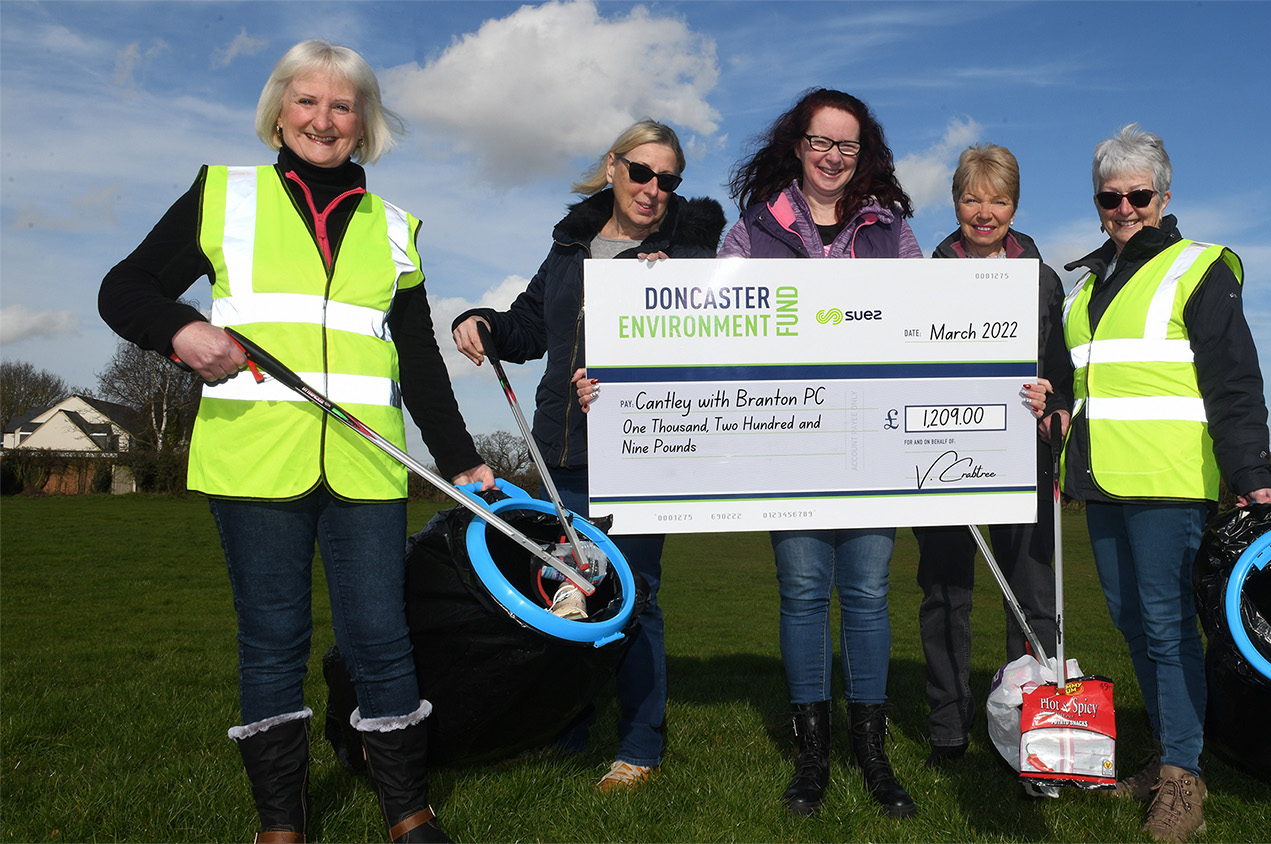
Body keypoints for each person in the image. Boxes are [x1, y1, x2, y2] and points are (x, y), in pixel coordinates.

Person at [98, 40, 494, 843]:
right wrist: (181, 331)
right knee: (272, 641)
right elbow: (123, 288)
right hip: (253, 459)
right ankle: (282, 825)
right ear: (279, 110)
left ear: (364, 123)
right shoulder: (223, 194)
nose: (324, 119)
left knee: (381, 638)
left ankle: (409, 815)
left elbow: (419, 363)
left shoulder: (395, 229)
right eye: (307, 101)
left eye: (342, 106)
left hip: (366, 467)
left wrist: (464, 463)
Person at [451, 119, 725, 793]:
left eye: (668, 180)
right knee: (562, 592)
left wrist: (682, 283)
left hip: (642, 454)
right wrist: (483, 321)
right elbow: (525, 329)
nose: (653, 189)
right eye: (641, 172)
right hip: (561, 452)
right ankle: (563, 734)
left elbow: (710, 349)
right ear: (613, 167)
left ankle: (639, 748)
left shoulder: (687, 251)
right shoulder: (571, 245)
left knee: (633, 601)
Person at [1025, 123, 1271, 843]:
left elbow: (1233, 382)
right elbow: (1078, 380)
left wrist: (1251, 474)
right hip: (1101, 485)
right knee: (1136, 626)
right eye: (1111, 196)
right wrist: (1056, 405)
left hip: (1170, 484)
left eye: (1139, 194)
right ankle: (1172, 751)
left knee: (1168, 631)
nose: (1125, 207)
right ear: (1098, 201)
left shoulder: (1200, 268)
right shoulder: (1085, 284)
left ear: (1164, 197)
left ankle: (1183, 781)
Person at [718, 88, 921, 819]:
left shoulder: (892, 231)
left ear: (863, 153)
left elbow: (926, 332)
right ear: (796, 144)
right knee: (803, 592)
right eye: (820, 142)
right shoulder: (751, 232)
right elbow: (717, 337)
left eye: (848, 146)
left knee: (867, 594)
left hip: (874, 441)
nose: (833, 158)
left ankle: (871, 748)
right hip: (790, 442)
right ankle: (813, 753)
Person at [915, 143, 1072, 777]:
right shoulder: (927, 272)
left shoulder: (1041, 277)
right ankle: (947, 726)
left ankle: (1032, 728)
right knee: (945, 595)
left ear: (1015, 204)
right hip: (943, 459)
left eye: (998, 200)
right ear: (955, 200)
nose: (984, 213)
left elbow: (1059, 367)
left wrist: (1051, 397)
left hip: (1023, 459)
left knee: (1032, 601)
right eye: (972, 199)